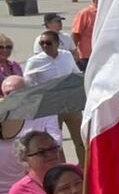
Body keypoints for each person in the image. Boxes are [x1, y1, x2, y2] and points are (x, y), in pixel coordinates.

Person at [24, 31, 84, 167]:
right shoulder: (34, 62)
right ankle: (62, 170)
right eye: (42, 43)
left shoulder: (67, 56)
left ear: (58, 43)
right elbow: (29, 85)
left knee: (80, 139)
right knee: (55, 143)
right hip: (50, 110)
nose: (45, 46)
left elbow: (76, 75)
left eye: (48, 43)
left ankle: (84, 168)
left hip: (71, 106)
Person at [70, 0, 97, 69]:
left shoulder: (105, 12)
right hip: (87, 55)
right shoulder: (85, 13)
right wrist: (74, 54)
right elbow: (75, 34)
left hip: (102, 54)